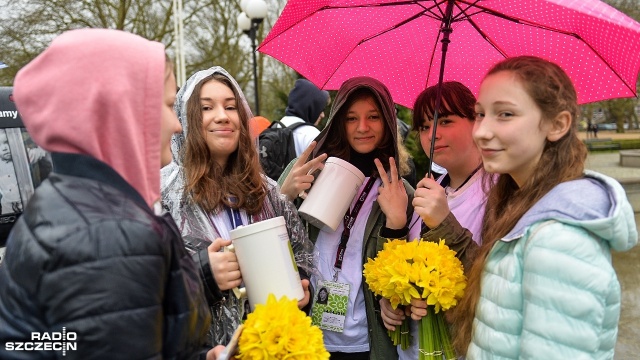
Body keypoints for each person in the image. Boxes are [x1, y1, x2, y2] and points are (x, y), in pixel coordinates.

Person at [0, 28, 226, 359]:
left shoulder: (69, 202)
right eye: (166, 105)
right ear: (124, 113)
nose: (177, 125)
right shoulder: (108, 235)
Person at [450, 55, 638, 358]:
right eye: (480, 114)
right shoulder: (519, 208)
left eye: (505, 114)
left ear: (558, 124)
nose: (481, 131)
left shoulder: (559, 238)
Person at [160, 66, 316, 347]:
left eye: (231, 107)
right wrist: (203, 275)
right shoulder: (165, 193)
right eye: (207, 108)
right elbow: (147, 285)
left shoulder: (266, 191)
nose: (223, 116)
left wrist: (303, 289)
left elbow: (301, 255)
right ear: (187, 118)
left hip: (270, 347)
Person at [279, 76, 417, 360]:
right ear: (339, 121)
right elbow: (269, 242)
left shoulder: (401, 192)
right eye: (351, 118)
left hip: (370, 341)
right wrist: (284, 195)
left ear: (388, 122)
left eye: (373, 117)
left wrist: (396, 226)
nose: (362, 127)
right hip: (307, 334)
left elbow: (403, 278)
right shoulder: (307, 172)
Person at [379, 81, 491, 359]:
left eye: (446, 121)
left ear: (476, 120)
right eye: (425, 127)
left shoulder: (498, 191)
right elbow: (412, 265)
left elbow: (496, 286)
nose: (432, 135)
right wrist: (395, 298)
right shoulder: (430, 188)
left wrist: (444, 221)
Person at [277, 78, 330, 156]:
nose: (322, 115)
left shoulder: (277, 125)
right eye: (320, 109)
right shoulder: (311, 134)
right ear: (311, 107)